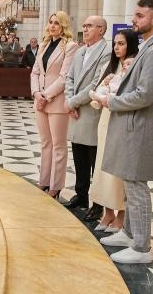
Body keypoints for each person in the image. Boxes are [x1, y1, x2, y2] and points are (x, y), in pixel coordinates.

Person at [97, 0, 153, 265]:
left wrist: (111, 100)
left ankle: (141, 248)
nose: (134, 20)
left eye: (140, 16)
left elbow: (145, 95)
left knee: (137, 187)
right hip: (135, 127)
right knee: (130, 186)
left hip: (142, 129)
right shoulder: (149, 47)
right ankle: (129, 233)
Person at [86, 30, 139, 231]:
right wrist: (105, 84)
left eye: (122, 44)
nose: (117, 47)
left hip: (122, 121)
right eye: (115, 43)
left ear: (131, 45)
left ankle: (121, 214)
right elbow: (97, 95)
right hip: (105, 121)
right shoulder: (110, 66)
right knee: (102, 168)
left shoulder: (134, 65)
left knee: (118, 172)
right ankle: (107, 213)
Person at [62, 15, 111, 210]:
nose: (85, 28)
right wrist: (69, 101)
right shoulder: (81, 51)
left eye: (89, 25)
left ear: (101, 29)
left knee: (94, 162)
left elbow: (96, 82)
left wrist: (72, 102)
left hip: (91, 112)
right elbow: (70, 78)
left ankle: (97, 203)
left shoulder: (107, 51)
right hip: (75, 111)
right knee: (79, 156)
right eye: (84, 25)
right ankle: (80, 195)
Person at [30, 11, 79, 199]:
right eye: (51, 23)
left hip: (56, 102)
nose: (52, 26)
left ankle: (56, 185)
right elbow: (35, 72)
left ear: (64, 26)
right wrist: (36, 94)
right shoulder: (43, 45)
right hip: (40, 100)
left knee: (58, 145)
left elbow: (65, 77)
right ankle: (43, 181)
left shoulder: (70, 46)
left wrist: (46, 95)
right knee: (45, 143)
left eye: (57, 23)